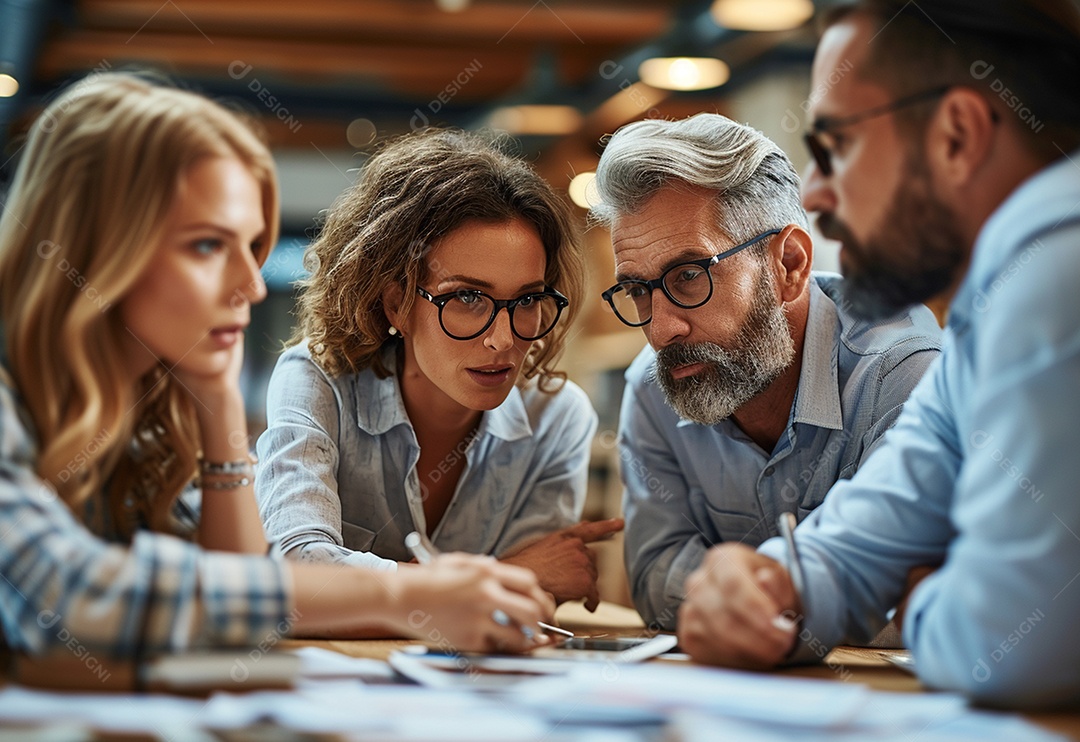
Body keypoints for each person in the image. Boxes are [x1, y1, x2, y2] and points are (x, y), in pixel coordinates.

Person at [0, 72, 553, 659]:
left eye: (251, 246)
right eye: (208, 245)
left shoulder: (131, 420)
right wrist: (403, 594)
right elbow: (66, 596)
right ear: (96, 247)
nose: (250, 285)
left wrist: (218, 410)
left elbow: (235, 604)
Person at [677, 0, 1080, 709]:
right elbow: (854, 544)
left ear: (957, 134)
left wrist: (922, 599)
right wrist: (769, 586)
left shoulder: (1055, 257)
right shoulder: (986, 319)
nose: (814, 192)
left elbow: (1017, 645)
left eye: (836, 146)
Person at [590, 113, 941, 630]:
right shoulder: (653, 385)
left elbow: (899, 588)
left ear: (790, 266)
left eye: (689, 276)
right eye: (638, 291)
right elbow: (654, 579)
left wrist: (738, 603)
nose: (661, 330)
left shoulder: (900, 375)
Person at [255, 129, 621, 611]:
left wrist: (373, 584)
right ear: (395, 304)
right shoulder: (317, 382)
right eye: (467, 298)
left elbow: (527, 608)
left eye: (528, 299)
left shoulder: (556, 418)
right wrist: (509, 575)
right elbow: (294, 576)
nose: (504, 338)